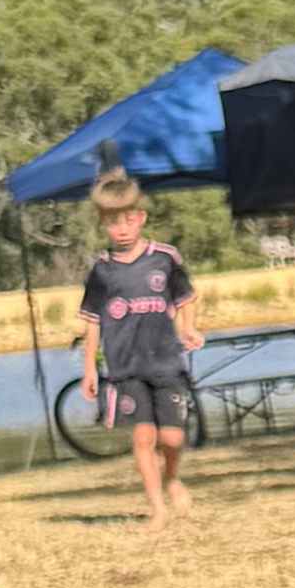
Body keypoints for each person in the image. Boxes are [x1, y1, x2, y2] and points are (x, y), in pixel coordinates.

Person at [76, 173, 208, 532]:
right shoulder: (101, 270)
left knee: (173, 438)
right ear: (104, 224)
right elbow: (91, 321)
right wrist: (90, 368)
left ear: (141, 218)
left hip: (165, 361)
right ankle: (157, 509)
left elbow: (187, 298)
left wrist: (188, 327)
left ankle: (173, 478)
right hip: (125, 368)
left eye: (128, 220)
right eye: (113, 222)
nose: (121, 229)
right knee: (143, 438)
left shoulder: (164, 259)